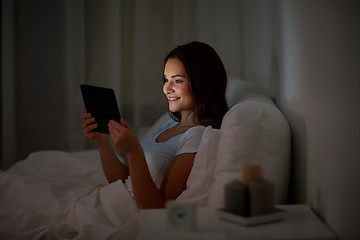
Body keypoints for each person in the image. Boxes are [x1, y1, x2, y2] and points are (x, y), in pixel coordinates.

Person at [81, 41, 228, 209]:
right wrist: (102, 142)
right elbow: (124, 181)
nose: (167, 88)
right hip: (110, 202)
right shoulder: (169, 124)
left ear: (203, 83)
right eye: (166, 79)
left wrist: (134, 151)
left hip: (129, 215)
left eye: (177, 81)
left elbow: (158, 209)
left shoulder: (196, 136)